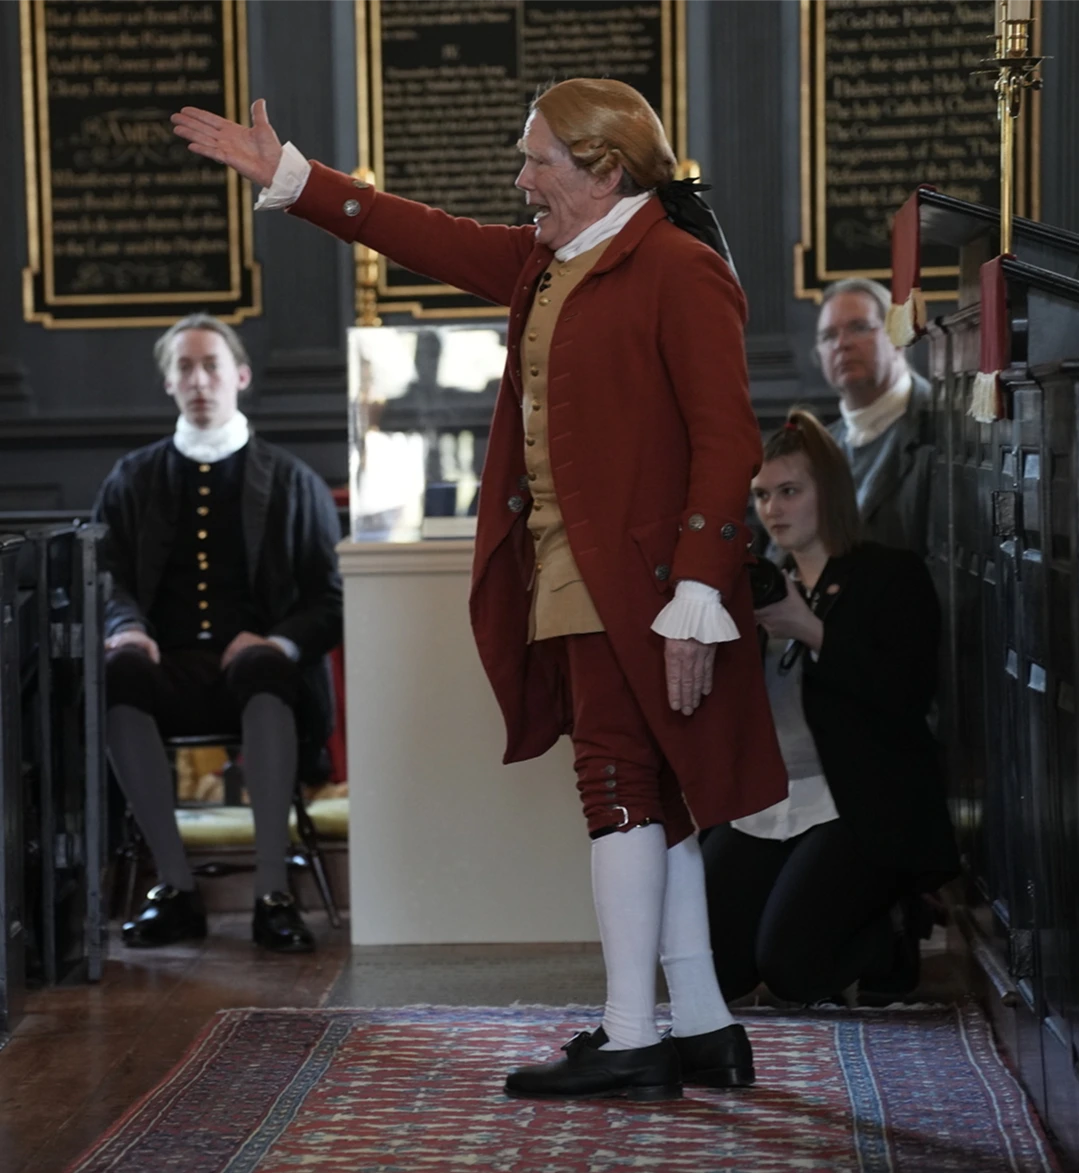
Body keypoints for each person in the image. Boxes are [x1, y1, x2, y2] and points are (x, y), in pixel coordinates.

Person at [172, 80, 787, 1099]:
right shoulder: (548, 259)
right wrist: (294, 177)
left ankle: (632, 1035)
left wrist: (698, 590)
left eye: (539, 159)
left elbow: (727, 442)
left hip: (642, 585)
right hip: (573, 573)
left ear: (605, 169)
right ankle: (704, 1024)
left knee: (619, 788)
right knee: (654, 797)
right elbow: (428, 237)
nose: (521, 179)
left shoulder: (681, 269)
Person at [94, 314, 343, 954]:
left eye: (211, 366)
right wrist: (127, 627)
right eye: (185, 368)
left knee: (266, 668)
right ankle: (174, 888)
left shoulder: (291, 481)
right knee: (117, 673)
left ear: (241, 376)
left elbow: (329, 599)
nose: (199, 380)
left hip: (257, 674)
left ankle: (273, 894)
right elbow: (105, 577)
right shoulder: (132, 478)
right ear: (168, 383)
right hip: (168, 670)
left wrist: (278, 640)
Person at [702, 409, 959, 1005]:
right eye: (762, 495)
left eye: (790, 491)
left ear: (831, 493)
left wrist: (813, 631)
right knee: (712, 968)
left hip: (857, 803)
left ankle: (894, 934)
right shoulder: (760, 585)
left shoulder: (889, 574)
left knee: (791, 969)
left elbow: (907, 695)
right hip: (770, 800)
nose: (773, 509)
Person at [814, 278, 934, 557]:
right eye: (828, 336)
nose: (841, 344)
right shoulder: (819, 447)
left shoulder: (943, 427)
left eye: (858, 327)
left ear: (897, 337)